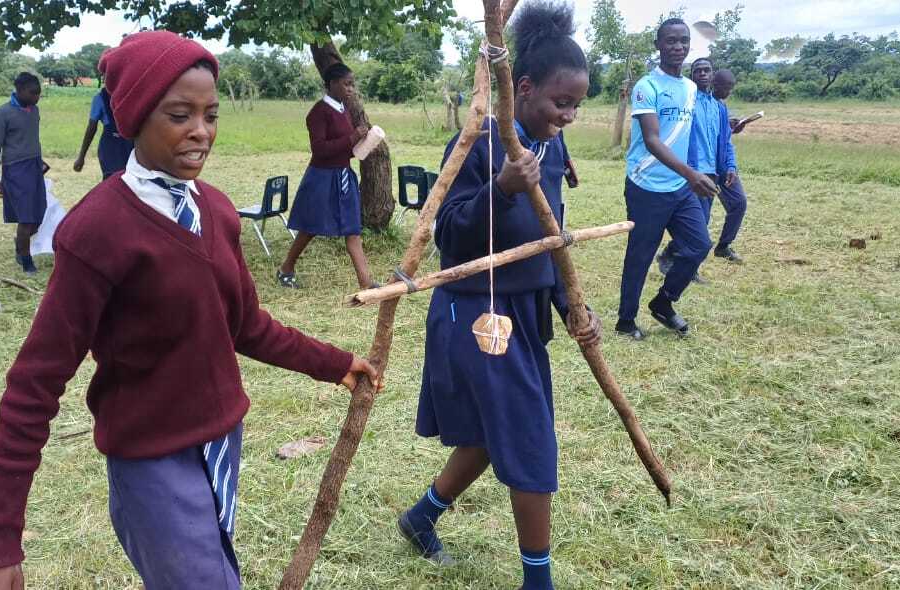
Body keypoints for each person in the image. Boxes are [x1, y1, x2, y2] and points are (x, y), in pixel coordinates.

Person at [0, 31, 380, 590]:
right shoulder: (97, 232)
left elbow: (246, 325)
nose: (201, 132)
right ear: (136, 117)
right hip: (152, 463)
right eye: (180, 114)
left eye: (211, 114)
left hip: (221, 445)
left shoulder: (214, 210)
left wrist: (335, 362)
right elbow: (34, 386)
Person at [395, 4, 600, 589]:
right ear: (524, 87)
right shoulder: (478, 142)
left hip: (525, 312)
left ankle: (421, 517)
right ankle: (539, 582)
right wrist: (501, 189)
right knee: (529, 436)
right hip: (476, 311)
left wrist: (571, 305)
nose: (569, 115)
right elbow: (447, 234)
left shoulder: (551, 148)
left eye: (577, 105)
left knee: (493, 433)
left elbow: (550, 238)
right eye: (561, 102)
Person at [615, 18, 718, 340]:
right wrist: (692, 174)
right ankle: (625, 321)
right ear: (658, 45)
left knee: (699, 245)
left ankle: (663, 303)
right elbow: (652, 140)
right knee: (641, 255)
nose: (678, 47)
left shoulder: (690, 89)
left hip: (679, 185)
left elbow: (690, 135)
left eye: (684, 41)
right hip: (646, 185)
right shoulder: (648, 87)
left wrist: (700, 169)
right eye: (671, 41)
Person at [277, 63, 376, 290]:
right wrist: (352, 138)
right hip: (322, 178)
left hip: (343, 176)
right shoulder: (318, 113)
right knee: (310, 227)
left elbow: (345, 150)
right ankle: (286, 269)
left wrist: (364, 142)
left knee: (353, 229)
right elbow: (320, 150)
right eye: (346, 84)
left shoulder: (344, 110)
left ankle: (366, 283)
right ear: (332, 84)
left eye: (353, 85)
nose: (351, 89)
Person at [656, 57, 736, 282]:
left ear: (712, 75)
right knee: (696, 223)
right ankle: (687, 268)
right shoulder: (686, 102)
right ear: (692, 76)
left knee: (703, 219)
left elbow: (726, 140)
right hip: (692, 172)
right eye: (697, 70)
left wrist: (730, 165)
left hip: (713, 171)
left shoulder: (718, 107)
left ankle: (670, 254)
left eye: (706, 70)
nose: (702, 74)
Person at [0, 72, 46, 275]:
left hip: (34, 167)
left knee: (39, 214)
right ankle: (26, 259)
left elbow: (31, 139)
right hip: (15, 170)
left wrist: (40, 160)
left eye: (38, 93)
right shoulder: (3, 113)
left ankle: (20, 243)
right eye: (33, 93)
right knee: (26, 216)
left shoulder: (35, 110)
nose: (37, 97)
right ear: (19, 90)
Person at [711, 69, 748, 263]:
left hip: (724, 168)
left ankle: (723, 246)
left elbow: (726, 141)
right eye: (727, 87)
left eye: (731, 88)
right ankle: (674, 252)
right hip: (706, 168)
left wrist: (732, 167)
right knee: (697, 215)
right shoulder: (704, 106)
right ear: (715, 85)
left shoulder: (723, 107)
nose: (729, 92)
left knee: (739, 203)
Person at [73, 82, 133, 178]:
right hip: (120, 145)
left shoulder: (100, 98)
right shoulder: (130, 95)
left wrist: (81, 157)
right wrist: (81, 156)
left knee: (113, 180)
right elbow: (91, 128)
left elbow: (91, 128)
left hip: (115, 146)